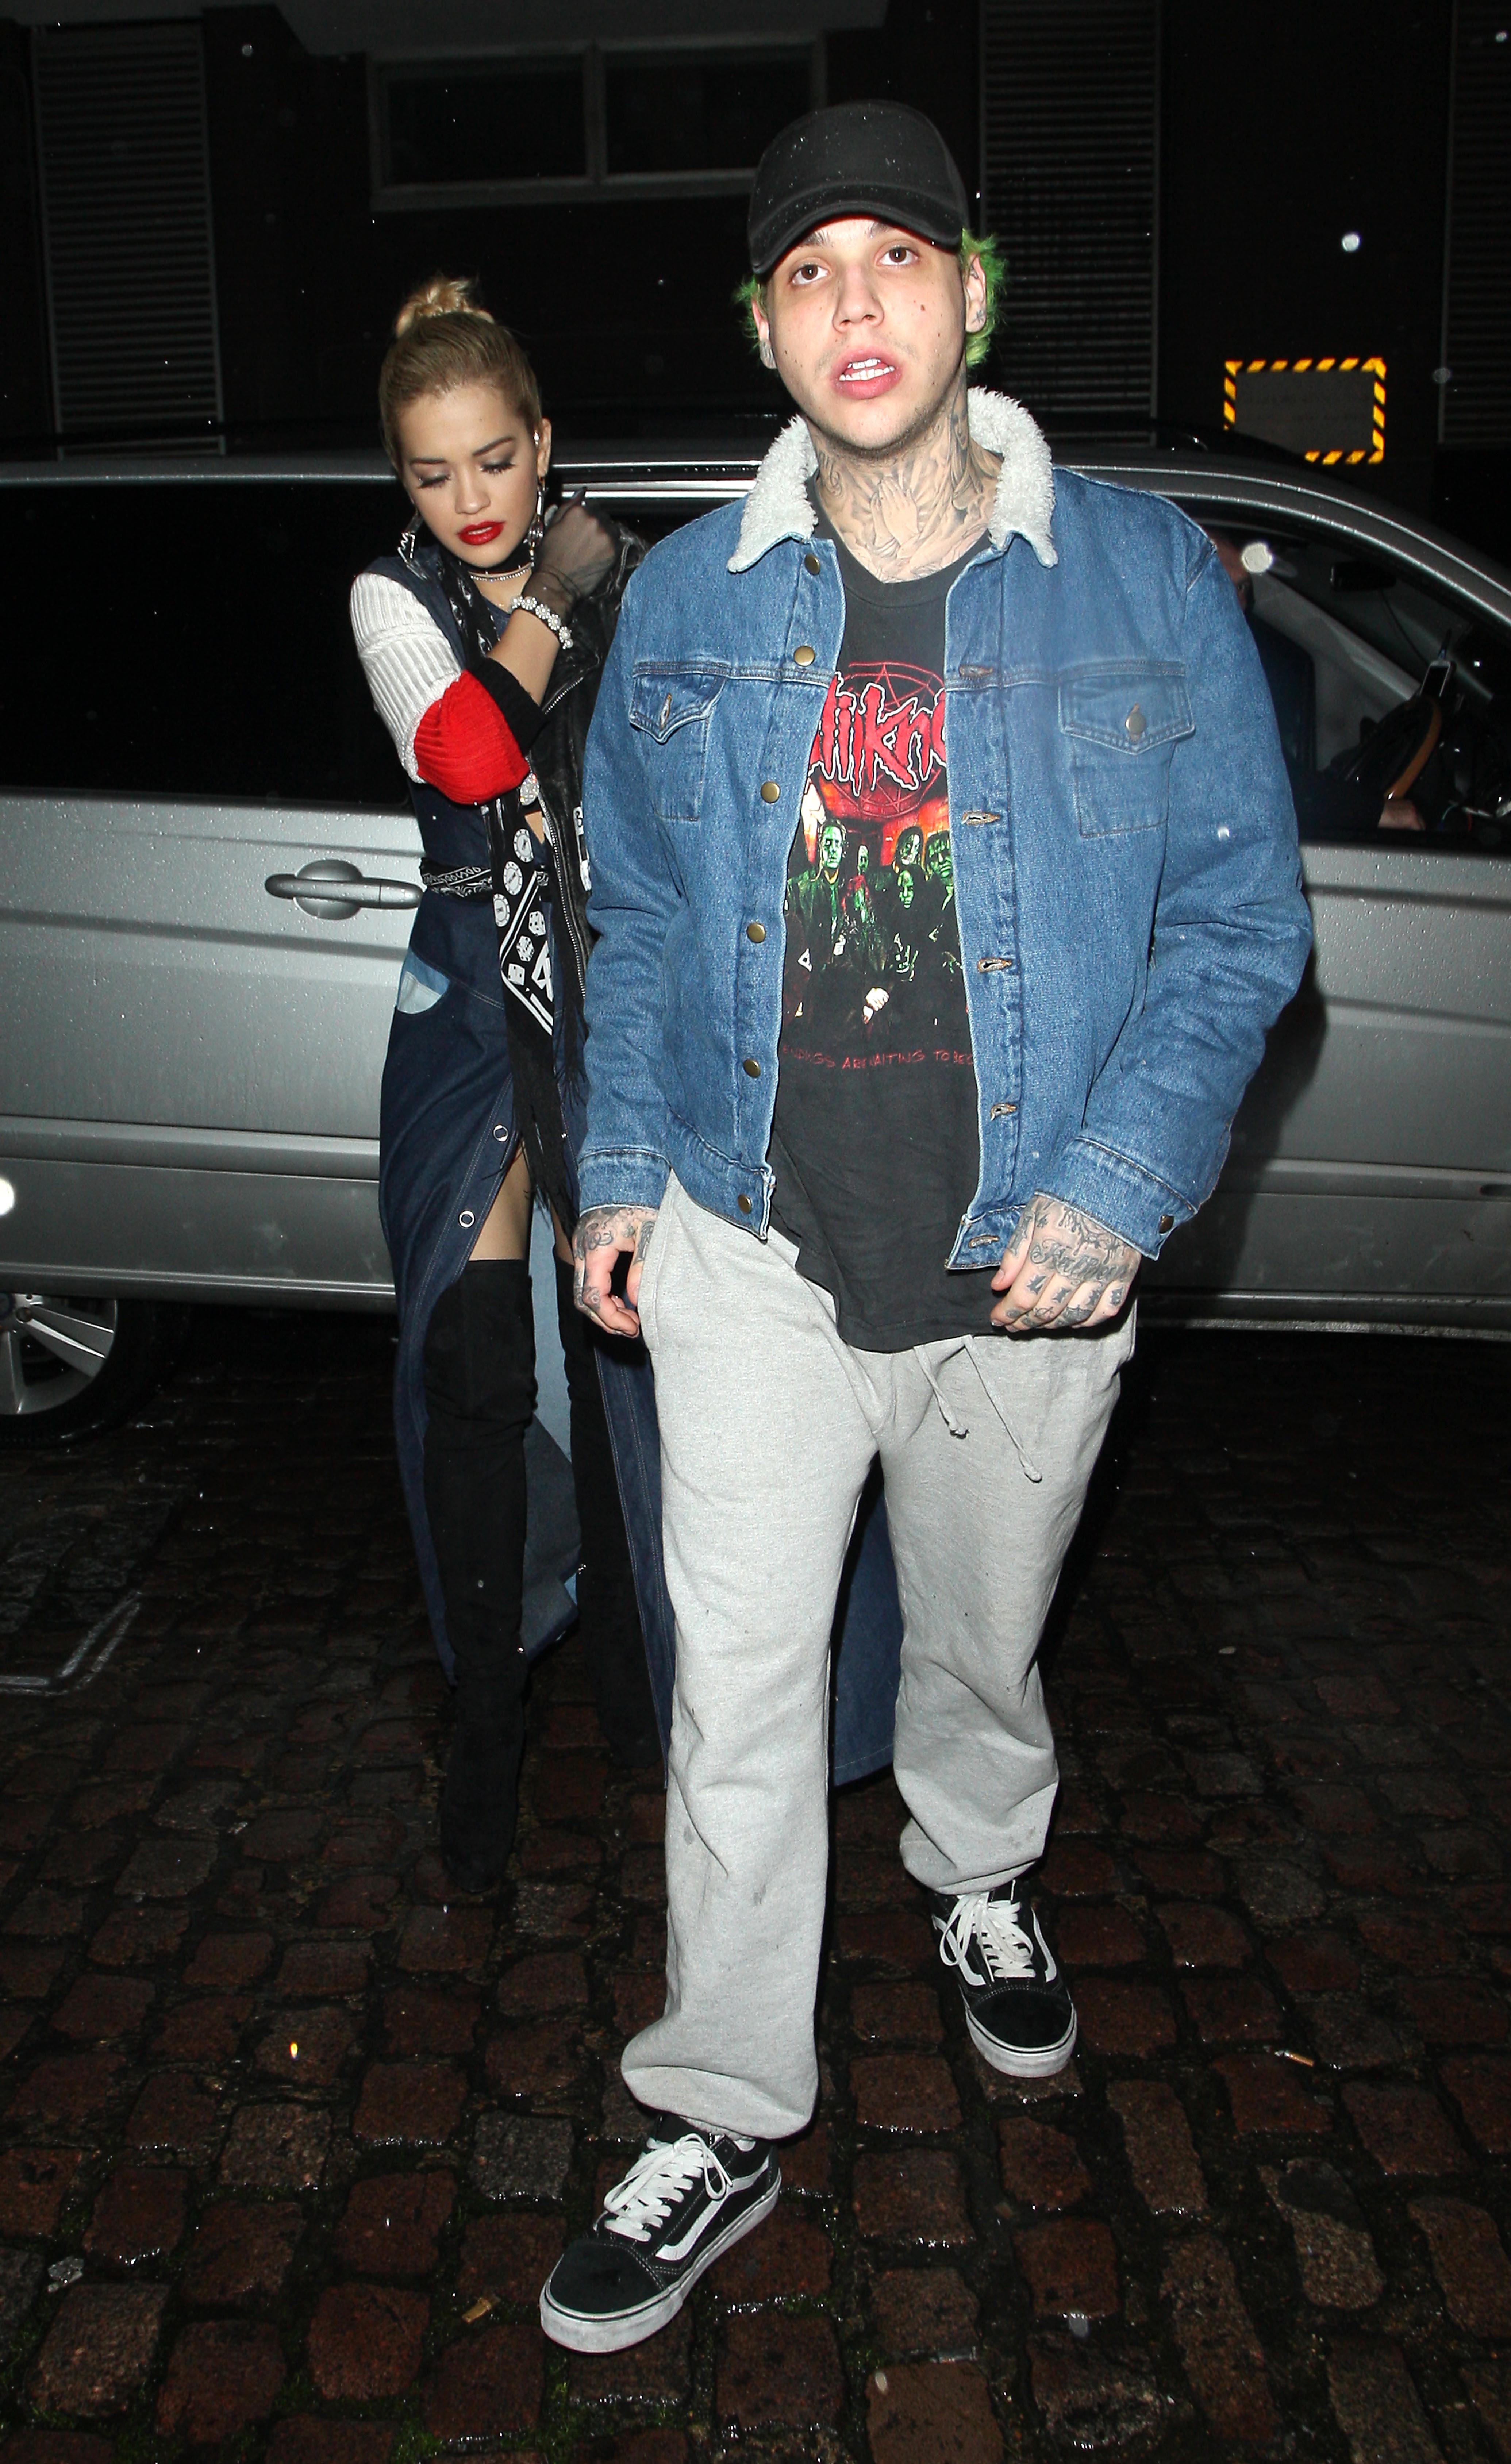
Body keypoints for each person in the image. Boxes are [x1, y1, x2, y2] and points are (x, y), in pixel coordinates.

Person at [539, 102, 1312, 2353]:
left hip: (1023, 1270)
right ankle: (718, 2101)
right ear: (764, 327)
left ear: (970, 295)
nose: (852, 302)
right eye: (806, 268)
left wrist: (1117, 1180)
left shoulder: (1141, 576)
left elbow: (1235, 924)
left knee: (977, 1648)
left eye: (893, 255)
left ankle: (976, 1872)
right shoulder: (688, 597)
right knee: (736, 1691)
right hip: (750, 1244)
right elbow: (641, 917)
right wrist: (618, 1171)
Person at [349, 277, 664, 1893]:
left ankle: (633, 1697)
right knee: (474, 1381)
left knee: (623, 1375)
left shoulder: (639, 588)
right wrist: (550, 586)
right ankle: (485, 1727)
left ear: (543, 443)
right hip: (472, 1021)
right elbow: (469, 757)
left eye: (493, 459)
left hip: (612, 1010)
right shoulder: (393, 596)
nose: (468, 499)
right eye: (432, 473)